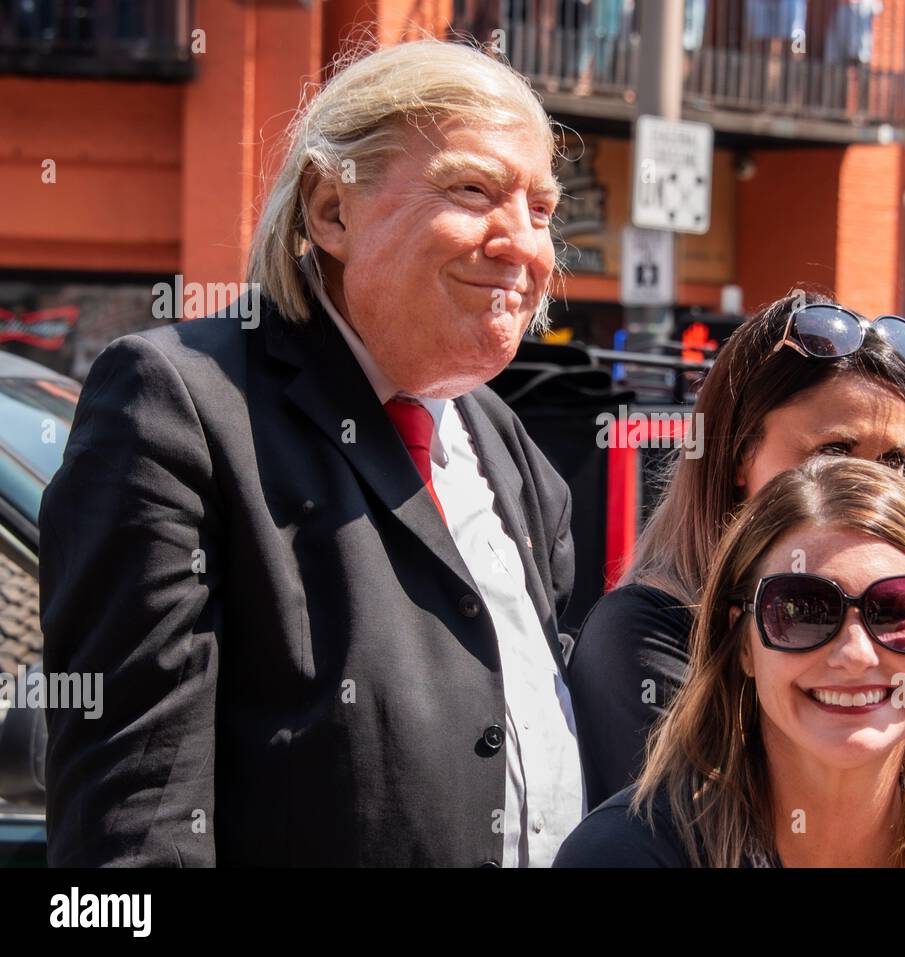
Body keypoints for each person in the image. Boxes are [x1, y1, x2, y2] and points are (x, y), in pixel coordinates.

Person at [39, 38, 582, 867]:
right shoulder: (178, 405)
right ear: (332, 210)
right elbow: (136, 830)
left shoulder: (504, 443)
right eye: (473, 191)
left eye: (541, 210)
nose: (524, 245)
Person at [569, 289, 905, 808]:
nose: (864, 491)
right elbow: (726, 827)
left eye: (891, 463)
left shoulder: (900, 618)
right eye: (831, 454)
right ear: (737, 456)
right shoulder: (647, 628)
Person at [555, 456, 905, 867]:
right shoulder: (625, 854)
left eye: (898, 611)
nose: (854, 654)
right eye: (801, 611)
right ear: (743, 641)